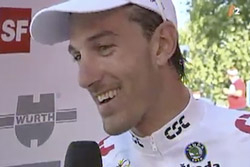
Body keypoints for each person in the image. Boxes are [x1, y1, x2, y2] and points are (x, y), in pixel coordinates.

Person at [30, 0, 250, 166]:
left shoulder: (243, 143)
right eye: (78, 56)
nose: (85, 79)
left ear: (162, 45)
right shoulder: (100, 160)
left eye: (104, 48)